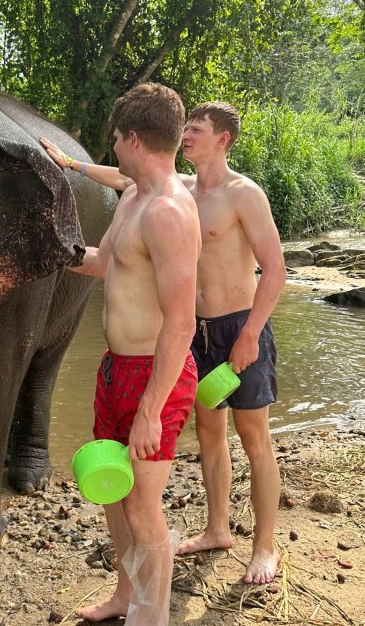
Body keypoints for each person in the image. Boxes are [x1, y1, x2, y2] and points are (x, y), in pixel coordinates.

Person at [41, 100, 287, 585]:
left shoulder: (244, 194)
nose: (188, 135)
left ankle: (265, 547)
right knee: (211, 438)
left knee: (255, 440)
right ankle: (218, 529)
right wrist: (71, 165)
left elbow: (275, 270)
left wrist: (252, 333)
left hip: (239, 327)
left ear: (224, 139)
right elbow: (125, 177)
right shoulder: (182, 190)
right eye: (186, 128)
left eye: (198, 129)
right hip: (191, 330)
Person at [52, 83, 200, 626]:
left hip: (153, 377)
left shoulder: (166, 212)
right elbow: (102, 263)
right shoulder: (135, 197)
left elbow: (182, 323)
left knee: (142, 506)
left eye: (115, 138)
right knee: (116, 492)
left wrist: (149, 409)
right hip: (118, 367)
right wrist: (51, 250)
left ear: (133, 138)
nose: (112, 147)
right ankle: (125, 594)